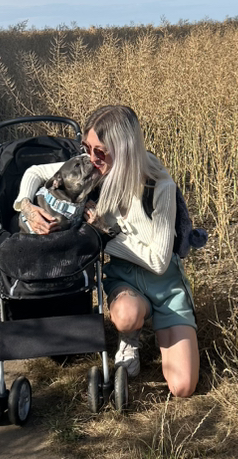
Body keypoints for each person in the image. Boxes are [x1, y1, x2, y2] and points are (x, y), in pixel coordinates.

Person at [14, 105, 199, 398]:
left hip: (166, 285)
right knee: (126, 315)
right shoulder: (96, 170)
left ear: (124, 150)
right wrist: (26, 205)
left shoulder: (159, 185)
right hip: (124, 279)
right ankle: (129, 338)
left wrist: (105, 232)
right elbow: (34, 171)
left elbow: (158, 262)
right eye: (86, 148)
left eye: (100, 152)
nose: (91, 158)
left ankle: (165, 326)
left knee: (183, 387)